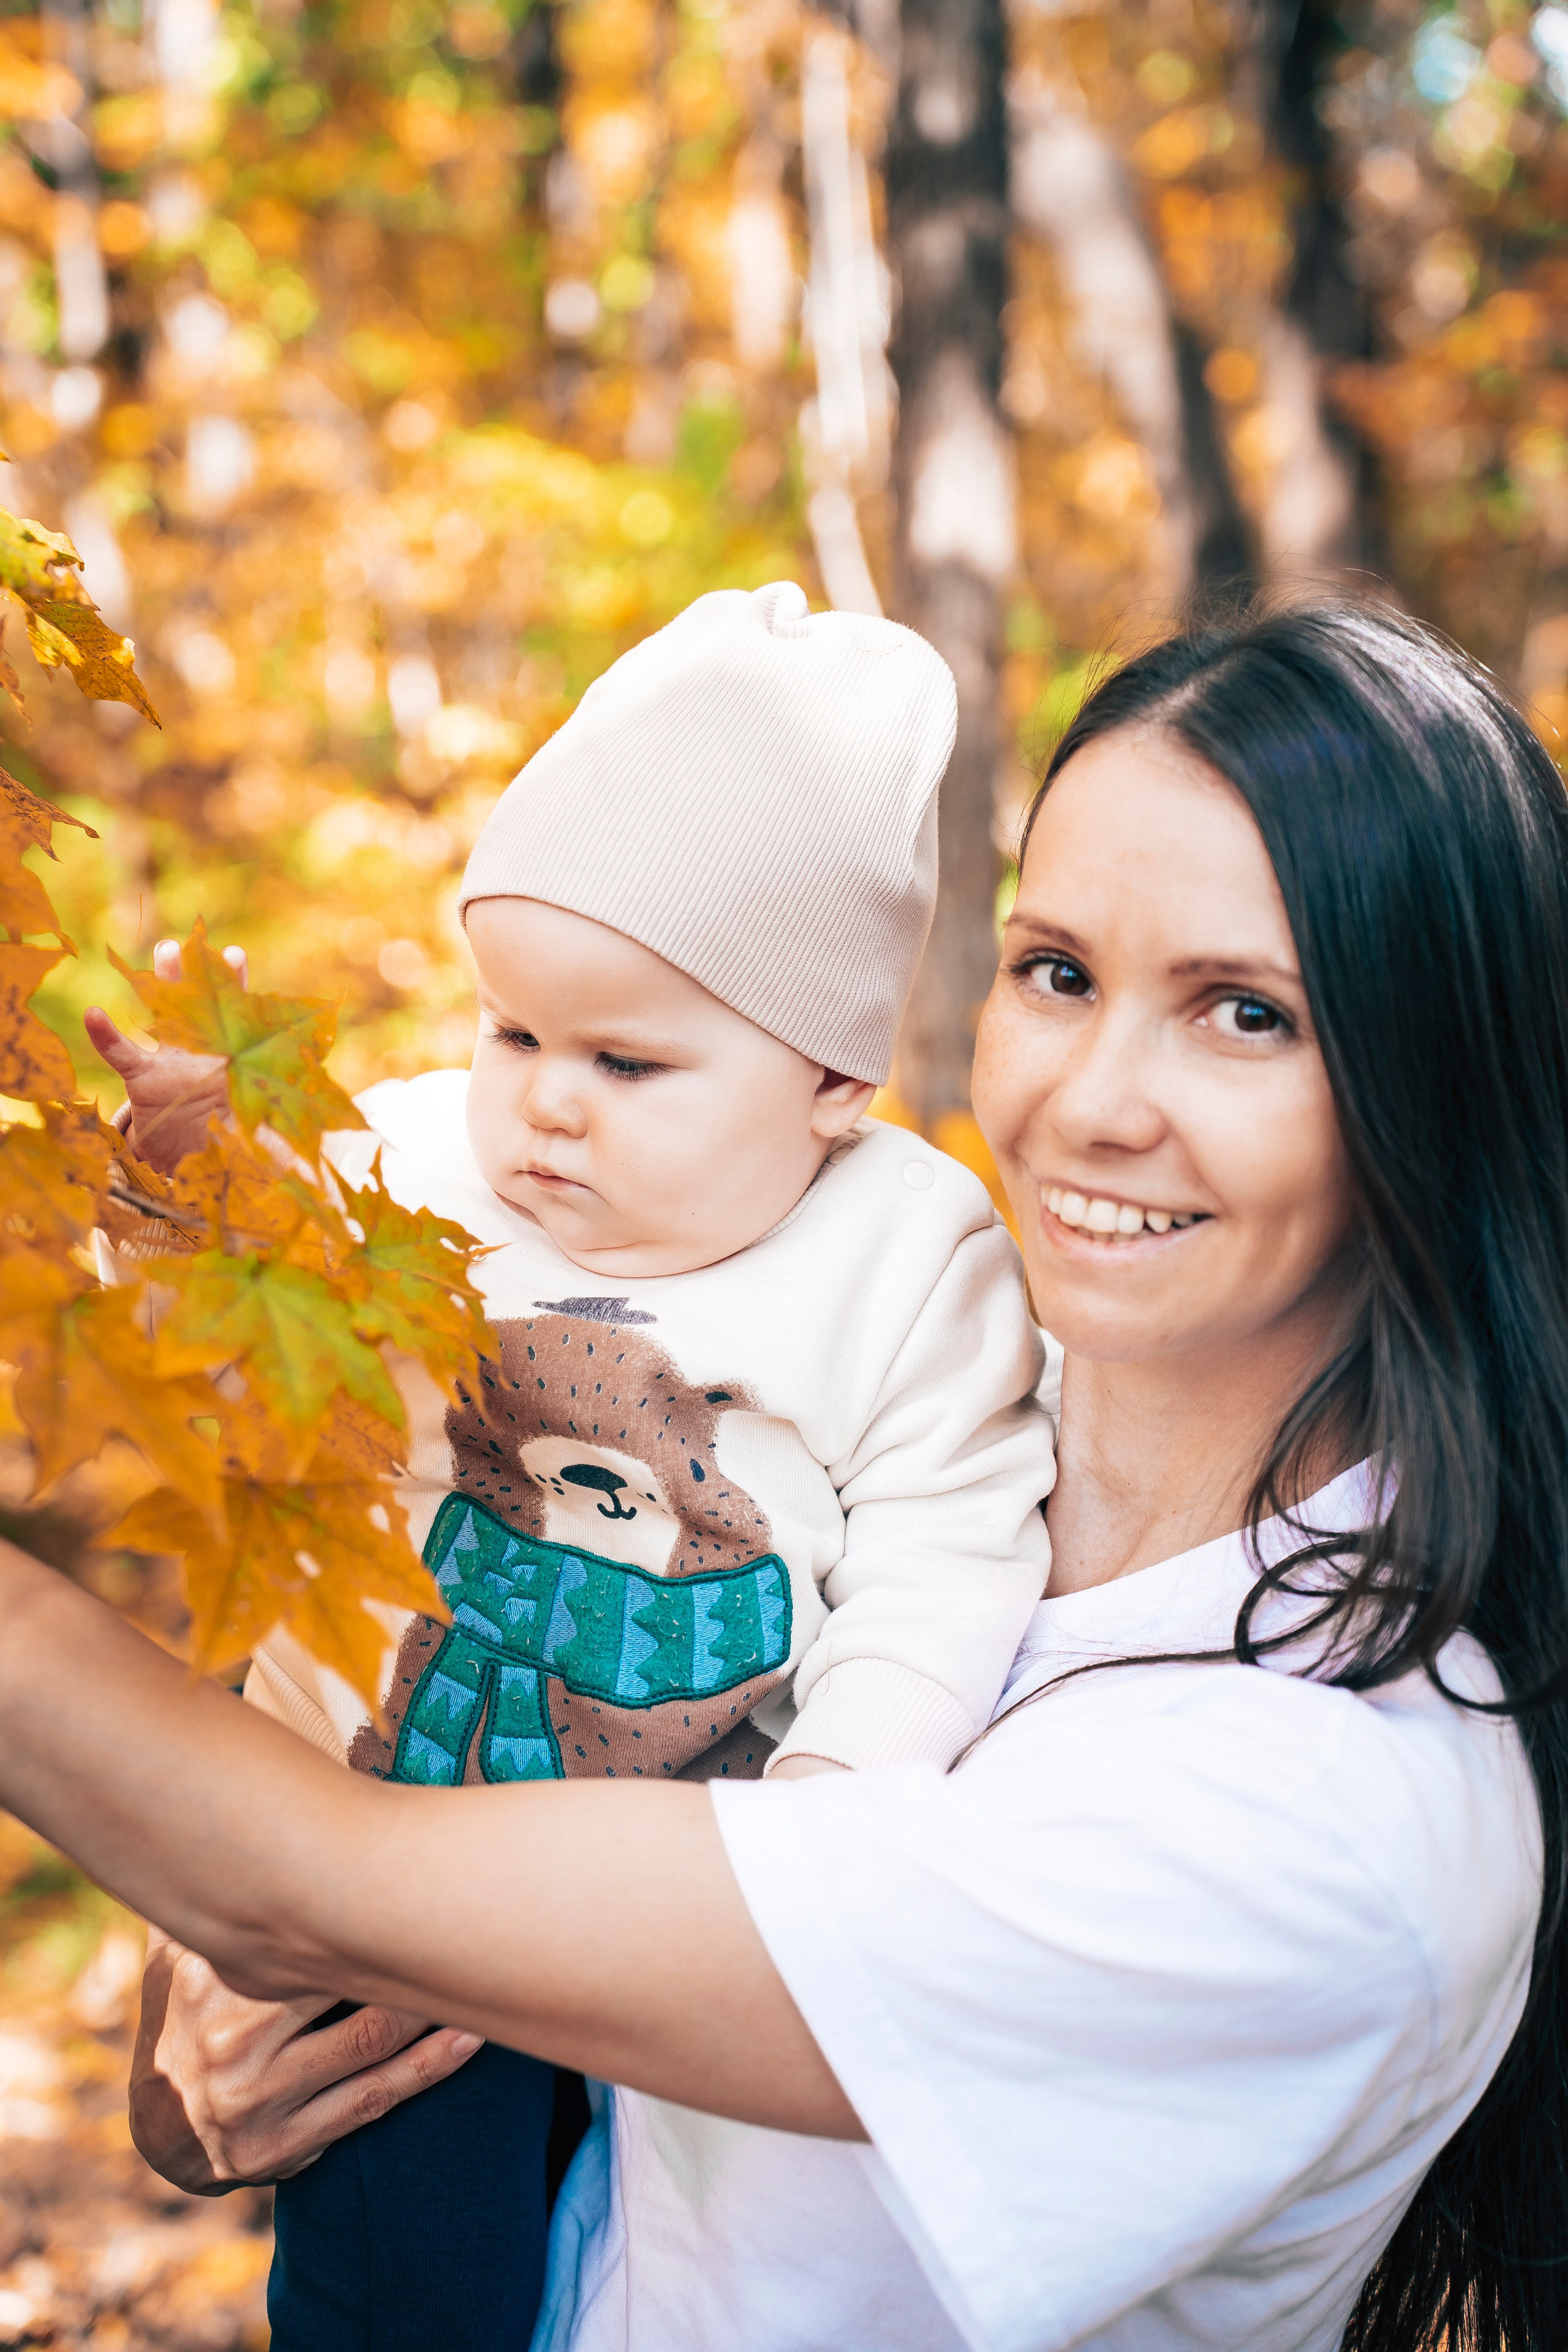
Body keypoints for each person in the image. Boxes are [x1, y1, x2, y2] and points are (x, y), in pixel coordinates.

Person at [3, 597, 1565, 2351]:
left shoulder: (1322, 1808)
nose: (1093, 1101)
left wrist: (260, 1883)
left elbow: (312, 1875)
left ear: (1438, 1082)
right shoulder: (911, 1407)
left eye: (1247, 1014)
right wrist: (198, 2064)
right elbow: (308, 1846)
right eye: (1059, 972)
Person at [84, 581, 1055, 2352]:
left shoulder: (909, 1252)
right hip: (383, 1872)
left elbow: (950, 1535)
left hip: (682, 1911)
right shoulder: (406, 1164)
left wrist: (844, 1797)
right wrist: (181, 1177)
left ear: (833, 1075)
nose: (542, 1103)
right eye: (511, 1032)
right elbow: (248, 1298)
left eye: (626, 1059)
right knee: (395, 2259)